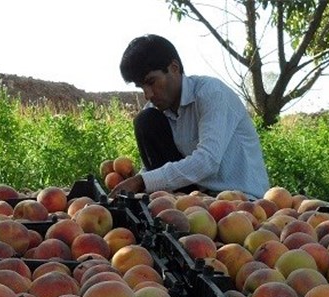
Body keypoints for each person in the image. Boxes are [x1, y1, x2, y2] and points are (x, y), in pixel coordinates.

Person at [109, 34, 269, 200]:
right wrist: (134, 186)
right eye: (141, 87)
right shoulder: (156, 109)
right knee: (145, 121)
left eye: (151, 82)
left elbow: (208, 161)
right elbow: (152, 172)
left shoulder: (211, 93)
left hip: (241, 200)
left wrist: (142, 181)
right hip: (195, 199)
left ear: (174, 68)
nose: (147, 94)